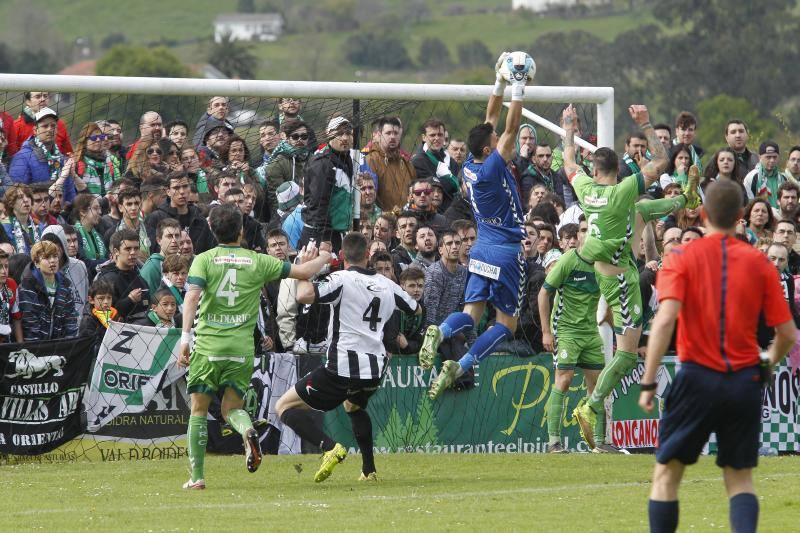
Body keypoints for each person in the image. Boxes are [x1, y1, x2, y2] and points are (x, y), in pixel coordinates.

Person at [638, 179, 796, 533]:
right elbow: (786, 334)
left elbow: (664, 321)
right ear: (741, 215)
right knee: (740, 480)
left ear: (703, 214)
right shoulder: (759, 263)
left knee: (666, 475)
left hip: (697, 378)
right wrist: (768, 360)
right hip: (743, 380)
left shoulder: (682, 257)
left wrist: (648, 382)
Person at [565, 103, 694, 449]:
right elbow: (662, 161)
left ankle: (594, 412)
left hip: (605, 274)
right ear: (618, 171)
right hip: (622, 280)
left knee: (625, 349)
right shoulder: (622, 192)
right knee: (625, 353)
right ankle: (590, 407)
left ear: (595, 168)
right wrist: (647, 125)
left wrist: (568, 128)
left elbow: (568, 163)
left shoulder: (586, 190)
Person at [176, 203, 331, 490]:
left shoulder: (203, 260)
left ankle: (197, 477)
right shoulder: (259, 261)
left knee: (198, 410)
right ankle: (248, 429)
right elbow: (305, 269)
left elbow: (192, 298)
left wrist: (185, 339)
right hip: (242, 349)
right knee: (231, 407)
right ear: (242, 230)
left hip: (209, 346)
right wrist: (324, 255)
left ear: (211, 229)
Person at [420, 51, 532, 398]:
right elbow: (511, 127)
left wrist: (498, 81)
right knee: (506, 325)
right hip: (507, 251)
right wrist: (518, 86)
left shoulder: (470, 164)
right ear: (491, 148)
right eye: (495, 141)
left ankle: (439, 331)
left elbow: (491, 120)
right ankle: (462, 364)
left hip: (481, 247)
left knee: (470, 313)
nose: (501, 139)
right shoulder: (494, 166)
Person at [274, 232, 420, 482]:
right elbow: (417, 309)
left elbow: (303, 295)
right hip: (374, 369)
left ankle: (330, 447)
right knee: (353, 406)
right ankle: (369, 470)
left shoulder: (341, 278)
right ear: (367, 256)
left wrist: (303, 269)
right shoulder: (388, 285)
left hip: (341, 367)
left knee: (283, 407)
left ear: (342, 257)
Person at [537, 246, 607, 453]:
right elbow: (543, 294)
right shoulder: (569, 260)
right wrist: (546, 332)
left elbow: (613, 294)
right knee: (564, 379)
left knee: (598, 385)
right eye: (584, 229)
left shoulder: (605, 262)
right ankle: (553, 442)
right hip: (566, 331)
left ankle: (600, 443)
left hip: (591, 333)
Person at [297, 116, 356, 254]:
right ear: (329, 134)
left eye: (348, 133)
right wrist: (325, 238)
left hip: (336, 232)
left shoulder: (347, 158)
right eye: (340, 133)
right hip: (320, 235)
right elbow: (319, 205)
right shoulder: (322, 163)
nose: (345, 138)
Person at [18, 240, 78, 341]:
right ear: (36, 263)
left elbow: (70, 319)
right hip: (35, 347)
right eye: (46, 257)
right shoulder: (28, 285)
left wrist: (69, 346)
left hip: (60, 345)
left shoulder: (65, 285)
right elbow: (30, 323)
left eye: (55, 256)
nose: (52, 261)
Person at [362, 116, 417, 212]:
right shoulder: (370, 160)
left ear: (400, 135)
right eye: (388, 133)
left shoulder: (406, 162)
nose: (392, 137)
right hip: (382, 222)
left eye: (395, 133)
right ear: (379, 135)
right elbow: (367, 195)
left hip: (406, 220)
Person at [95, 229, 149, 321]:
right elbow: (103, 312)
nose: (133, 252)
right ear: (116, 251)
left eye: (136, 248)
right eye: (128, 249)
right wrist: (129, 300)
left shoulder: (139, 277)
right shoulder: (107, 279)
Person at [139, 218, 181, 295]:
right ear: (159, 240)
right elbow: (148, 300)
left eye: (177, 236)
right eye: (169, 236)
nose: (174, 240)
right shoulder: (152, 267)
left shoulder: (182, 262)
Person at [743, 141, 785, 208]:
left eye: (775, 157)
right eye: (768, 157)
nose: (772, 160)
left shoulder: (783, 178)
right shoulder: (752, 177)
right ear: (759, 158)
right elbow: (748, 203)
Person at [3, 184, 43, 254]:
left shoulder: (38, 225)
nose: (26, 200)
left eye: (28, 197)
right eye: (20, 197)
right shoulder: (5, 227)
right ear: (11, 203)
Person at [0, 249, 23, 344]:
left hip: (6, 342)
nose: (4, 271)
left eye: (6, 266)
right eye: (0, 267)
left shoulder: (12, 285)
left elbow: (16, 318)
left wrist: (21, 347)